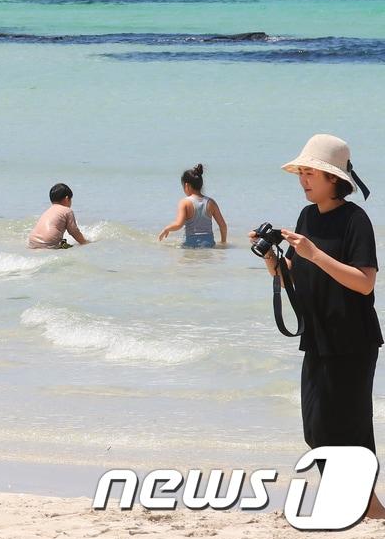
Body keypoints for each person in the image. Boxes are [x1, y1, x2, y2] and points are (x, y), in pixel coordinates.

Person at [255, 134, 383, 519]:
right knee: (316, 429)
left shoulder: (355, 220)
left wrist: (315, 252)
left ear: (333, 179)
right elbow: (298, 273)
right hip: (318, 336)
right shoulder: (306, 217)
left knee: (343, 427)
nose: (304, 180)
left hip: (353, 340)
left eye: (311, 173)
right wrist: (274, 262)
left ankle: (366, 505)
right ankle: (369, 505)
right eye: (302, 173)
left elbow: (365, 282)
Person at [158, 164, 228, 248]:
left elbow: (178, 224)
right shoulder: (211, 202)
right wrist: (223, 242)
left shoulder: (184, 202)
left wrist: (167, 228)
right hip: (208, 244)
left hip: (190, 245)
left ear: (187, 185)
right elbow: (223, 226)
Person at [27, 183, 88, 249]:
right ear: (67, 199)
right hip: (49, 243)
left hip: (32, 242)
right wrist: (85, 243)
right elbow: (74, 231)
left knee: (63, 243)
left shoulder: (47, 211)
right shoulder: (67, 210)